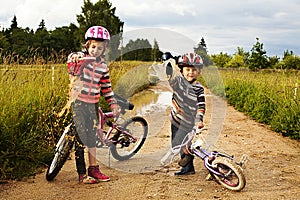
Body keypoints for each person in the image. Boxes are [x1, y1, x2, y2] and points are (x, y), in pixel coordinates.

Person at [67, 25, 119, 184]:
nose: (96, 50)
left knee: (92, 137)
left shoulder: (103, 66)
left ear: (104, 49)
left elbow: (106, 89)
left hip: (93, 105)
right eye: (93, 46)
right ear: (87, 46)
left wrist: (113, 104)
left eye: (100, 48)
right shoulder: (80, 58)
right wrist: (75, 56)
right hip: (78, 103)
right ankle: (82, 174)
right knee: (80, 137)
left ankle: (94, 169)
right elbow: (71, 58)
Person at [162, 52, 206, 175]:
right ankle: (188, 163)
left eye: (194, 70)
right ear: (181, 70)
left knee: (183, 144)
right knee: (176, 144)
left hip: (188, 123)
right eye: (187, 69)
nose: (190, 72)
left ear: (199, 72)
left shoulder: (199, 89)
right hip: (175, 120)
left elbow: (201, 106)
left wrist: (199, 120)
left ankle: (187, 166)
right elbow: (169, 78)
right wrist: (168, 65)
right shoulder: (178, 82)